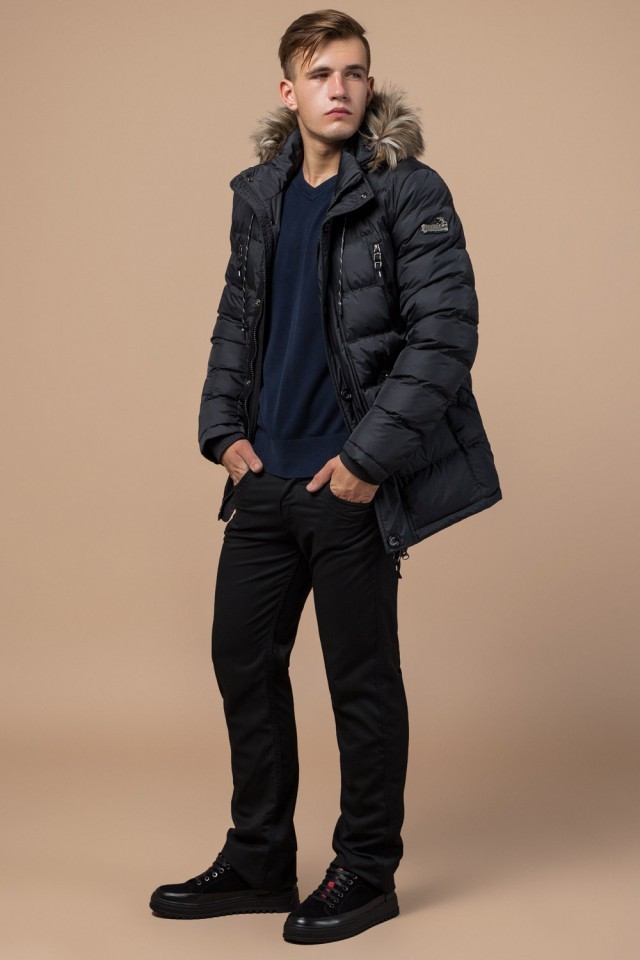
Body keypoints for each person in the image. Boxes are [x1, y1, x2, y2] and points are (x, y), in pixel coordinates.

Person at [149, 8, 502, 946]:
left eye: (352, 72)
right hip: (266, 479)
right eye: (319, 73)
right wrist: (222, 432)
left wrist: (365, 463)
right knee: (241, 661)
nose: (338, 88)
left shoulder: (408, 190)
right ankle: (261, 858)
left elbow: (445, 336)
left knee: (360, 681)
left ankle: (367, 871)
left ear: (369, 85)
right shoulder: (261, 196)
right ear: (289, 91)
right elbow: (238, 317)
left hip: (348, 483)